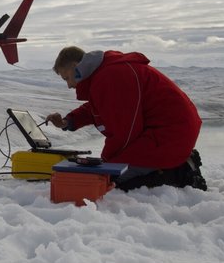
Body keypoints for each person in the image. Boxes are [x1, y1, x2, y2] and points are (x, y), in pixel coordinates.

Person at [45, 46, 206, 191]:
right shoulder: (104, 73)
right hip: (171, 132)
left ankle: (182, 174)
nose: (69, 85)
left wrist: (104, 165)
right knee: (109, 173)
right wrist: (69, 121)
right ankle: (177, 163)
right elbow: (99, 106)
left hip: (169, 135)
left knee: (112, 182)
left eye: (67, 78)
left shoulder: (111, 77)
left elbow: (125, 133)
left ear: (75, 68)